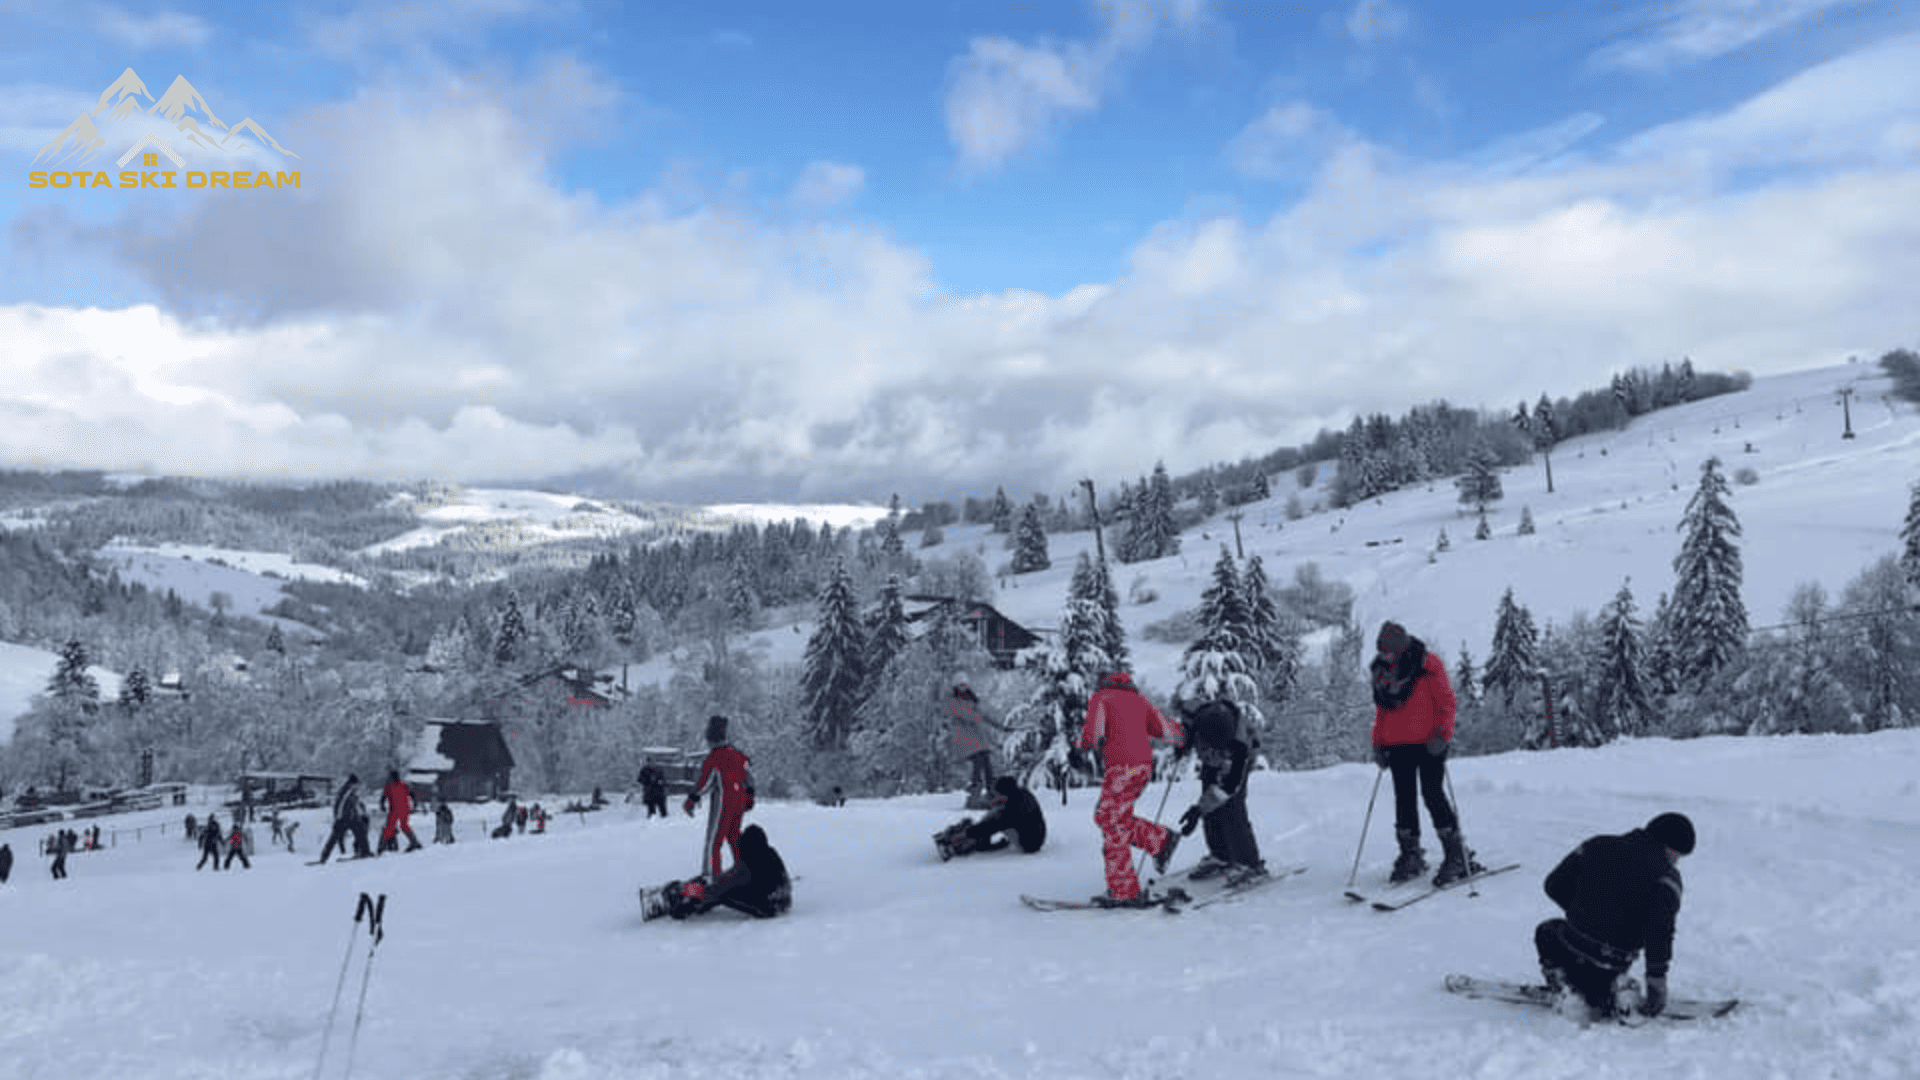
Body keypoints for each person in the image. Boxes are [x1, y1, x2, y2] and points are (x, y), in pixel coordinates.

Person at [1535, 812, 1696, 1020]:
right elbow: (1659, 932)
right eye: (1675, 855)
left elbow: (1554, 885)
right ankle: (1616, 990)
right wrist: (1656, 980)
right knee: (1607, 966)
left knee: (1547, 931)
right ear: (1664, 844)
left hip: (1570, 948)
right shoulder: (1667, 878)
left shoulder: (1596, 845)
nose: (1675, 863)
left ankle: (1564, 989)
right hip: (1613, 960)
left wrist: (1583, 912)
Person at [1369, 620, 1480, 886]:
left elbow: (1447, 702)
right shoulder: (1382, 672)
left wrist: (1444, 734)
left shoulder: (1427, 665)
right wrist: (1378, 744)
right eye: (1382, 651)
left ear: (1401, 647)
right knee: (1403, 800)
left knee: (1432, 794)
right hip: (1397, 746)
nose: (1385, 657)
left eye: (1389, 652)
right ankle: (1410, 855)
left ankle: (1457, 854)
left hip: (1431, 743)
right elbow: (1382, 711)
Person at [1078, 671, 1187, 906]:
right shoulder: (1140, 700)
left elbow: (1092, 733)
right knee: (1110, 817)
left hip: (1121, 768)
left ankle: (1124, 889)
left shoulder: (1103, 697)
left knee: (1111, 820)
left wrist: (1081, 749)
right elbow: (1163, 728)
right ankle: (1160, 840)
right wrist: (1183, 737)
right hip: (1143, 768)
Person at [1177, 699, 1266, 884]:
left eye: (1218, 751)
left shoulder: (1238, 750)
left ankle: (1250, 863)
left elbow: (1226, 789)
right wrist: (1182, 742)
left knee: (1232, 809)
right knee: (1212, 807)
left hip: (1240, 759)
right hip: (1216, 752)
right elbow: (1187, 719)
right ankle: (1221, 855)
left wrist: (1198, 810)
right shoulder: (1203, 720)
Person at [655, 824, 792, 920]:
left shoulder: (747, 866)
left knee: (723, 892)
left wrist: (691, 898)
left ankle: (690, 905)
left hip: (769, 907)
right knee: (727, 883)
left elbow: (721, 887)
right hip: (784, 901)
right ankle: (697, 898)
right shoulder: (770, 852)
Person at [685, 714, 754, 878]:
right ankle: (744, 870)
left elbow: (706, 783)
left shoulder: (714, 758)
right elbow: (748, 775)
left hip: (724, 803)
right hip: (740, 801)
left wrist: (692, 798)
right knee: (734, 835)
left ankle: (710, 876)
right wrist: (750, 795)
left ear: (712, 738)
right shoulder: (738, 754)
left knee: (714, 842)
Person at [935, 775, 1047, 859]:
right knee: (996, 812)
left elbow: (990, 826)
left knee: (994, 817)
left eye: (998, 793)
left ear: (1005, 792)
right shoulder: (1021, 793)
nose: (996, 796)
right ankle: (977, 839)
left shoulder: (1013, 811)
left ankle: (972, 843)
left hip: (1029, 844)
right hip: (1035, 834)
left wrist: (964, 835)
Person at [947, 676, 1004, 802]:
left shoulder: (972, 700)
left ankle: (991, 791)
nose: (963, 688)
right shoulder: (953, 702)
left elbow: (983, 715)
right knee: (978, 760)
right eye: (960, 686)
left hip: (976, 738)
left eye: (964, 685)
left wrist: (998, 725)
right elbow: (967, 715)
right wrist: (979, 716)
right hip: (964, 739)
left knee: (986, 761)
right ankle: (975, 791)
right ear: (956, 687)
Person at [318, 775, 364, 864]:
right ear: (352, 783)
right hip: (343, 818)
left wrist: (358, 813)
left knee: (360, 832)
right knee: (334, 837)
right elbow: (340, 804)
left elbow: (353, 804)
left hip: (350, 817)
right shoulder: (346, 790)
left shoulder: (350, 791)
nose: (357, 786)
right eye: (356, 784)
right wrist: (338, 817)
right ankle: (324, 857)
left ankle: (364, 852)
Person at [378, 770, 424, 854]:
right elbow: (412, 794)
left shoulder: (389, 786)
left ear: (391, 777)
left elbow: (383, 797)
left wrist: (382, 806)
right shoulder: (403, 785)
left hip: (395, 809)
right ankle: (414, 842)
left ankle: (382, 847)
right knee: (404, 826)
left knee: (389, 828)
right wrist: (414, 804)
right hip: (405, 809)